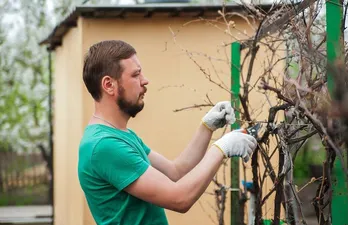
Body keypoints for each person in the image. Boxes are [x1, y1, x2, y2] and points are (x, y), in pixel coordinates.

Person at [77, 40, 257, 225]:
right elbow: (179, 199)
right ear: (109, 85)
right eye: (136, 75)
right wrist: (222, 148)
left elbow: (175, 171)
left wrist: (207, 127)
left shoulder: (120, 135)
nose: (145, 81)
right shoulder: (104, 146)